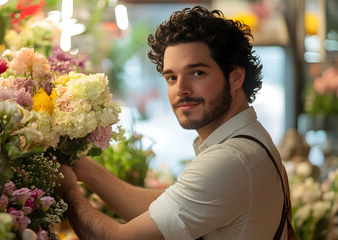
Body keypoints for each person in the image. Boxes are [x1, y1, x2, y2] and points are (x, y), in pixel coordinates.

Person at [56, 6, 295, 240]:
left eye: (197, 73)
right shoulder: (251, 142)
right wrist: (83, 169)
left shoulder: (230, 160)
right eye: (171, 77)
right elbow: (163, 209)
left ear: (236, 76)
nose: (180, 89)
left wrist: (68, 191)